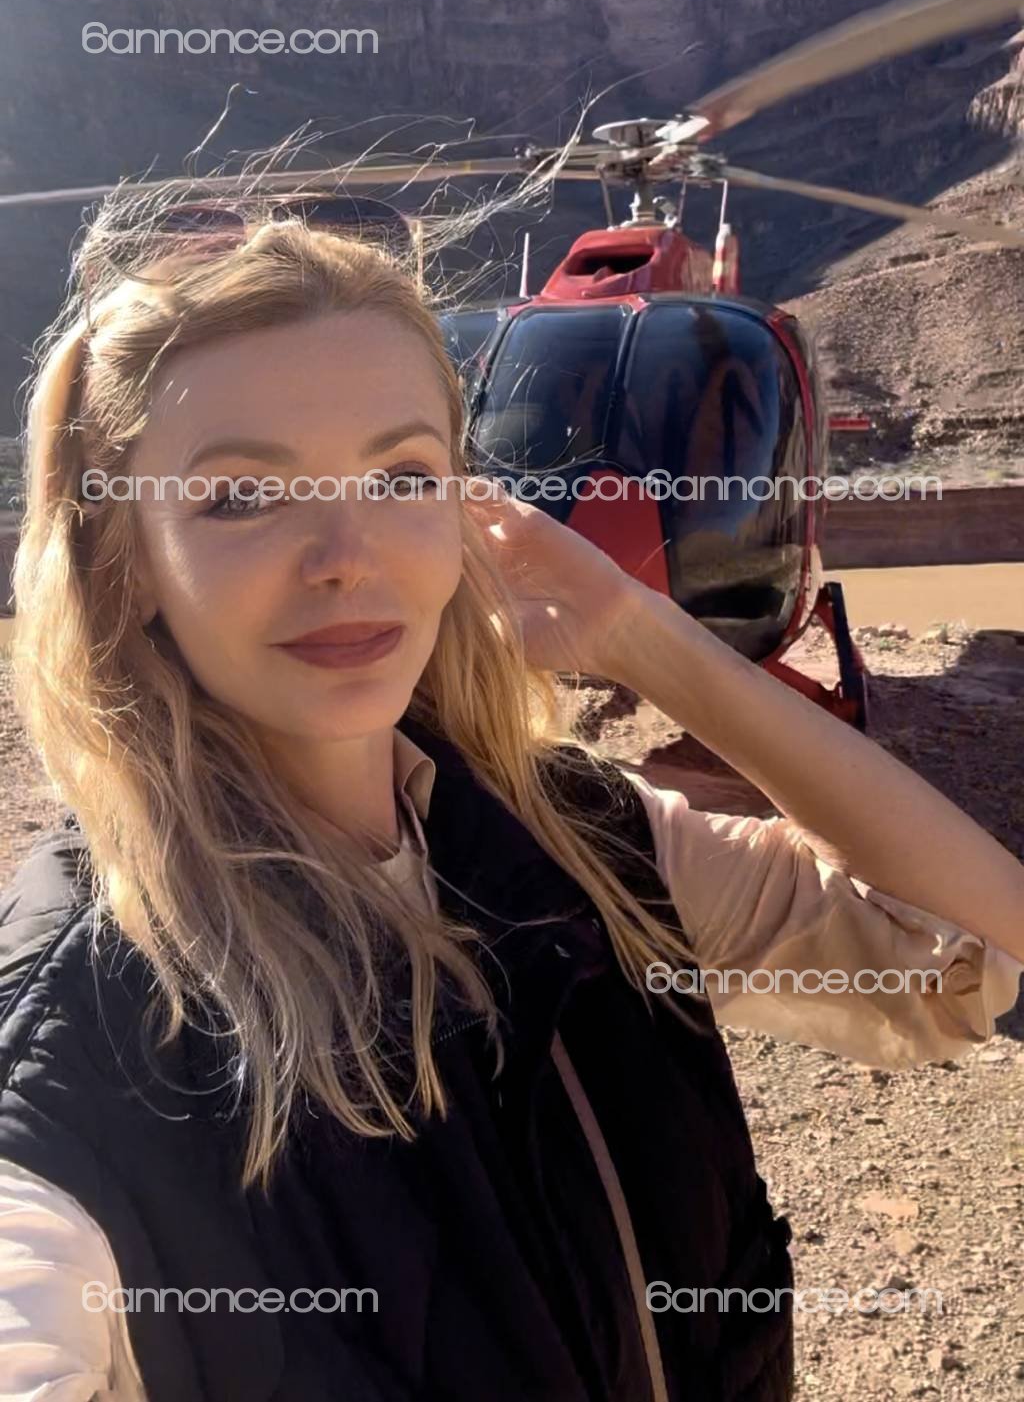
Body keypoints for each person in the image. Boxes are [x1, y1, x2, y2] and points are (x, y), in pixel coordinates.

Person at [0, 187, 1021, 1402]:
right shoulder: (75, 1052)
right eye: (241, 496)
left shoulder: (580, 843)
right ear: (124, 562)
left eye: (401, 477)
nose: (347, 558)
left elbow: (962, 947)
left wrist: (638, 632)